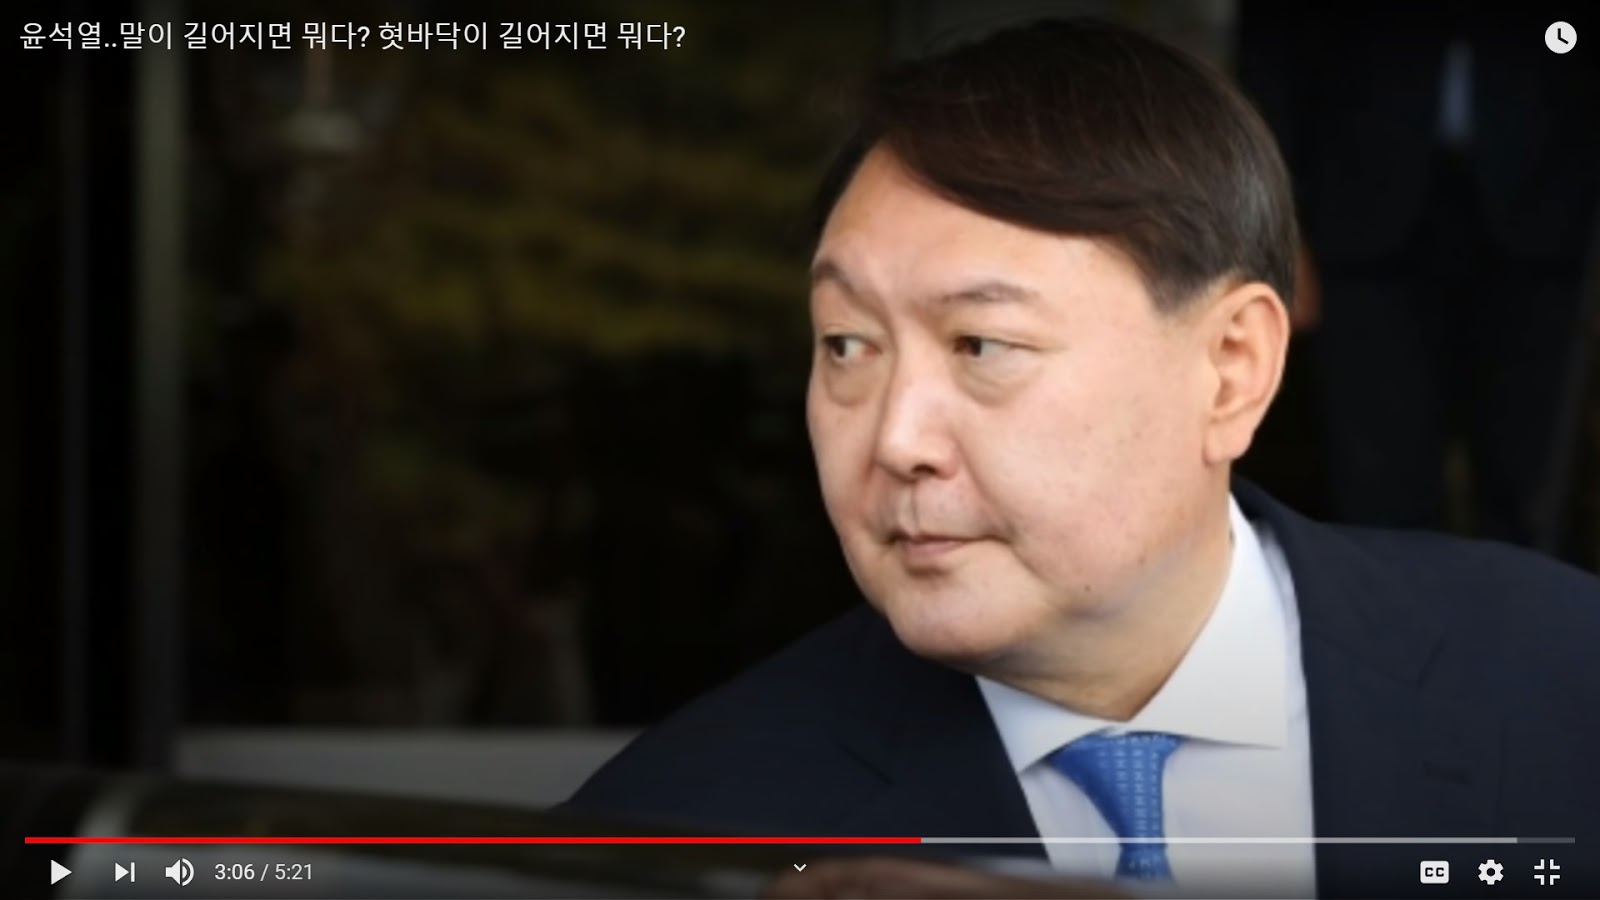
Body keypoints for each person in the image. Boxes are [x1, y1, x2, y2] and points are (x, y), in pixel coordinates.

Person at [562, 17, 1600, 899]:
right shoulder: (677, 833)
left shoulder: (1564, 680)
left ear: (1231, 369)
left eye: (982, 345)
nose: (895, 440)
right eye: (846, 346)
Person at [1235, 1, 1600, 551]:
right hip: (1359, 211)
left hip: (1550, 210)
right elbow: (1272, 41)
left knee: (1535, 494)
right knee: (1376, 493)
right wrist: (1282, 228)